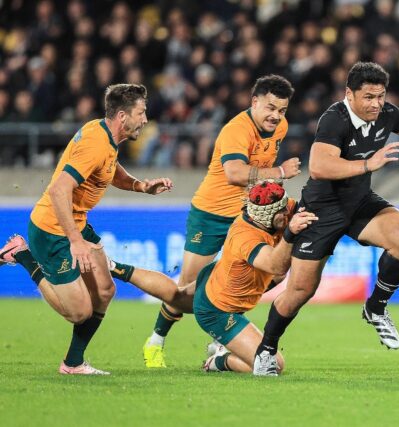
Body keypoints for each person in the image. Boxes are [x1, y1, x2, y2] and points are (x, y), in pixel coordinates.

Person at [252, 62, 399, 374]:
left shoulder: (386, 113)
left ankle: (376, 307)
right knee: (300, 291)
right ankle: (265, 349)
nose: (376, 104)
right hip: (320, 209)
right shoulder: (335, 118)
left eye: (381, 96)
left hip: (359, 203)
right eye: (369, 97)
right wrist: (367, 164)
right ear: (350, 94)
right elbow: (320, 166)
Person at [0, 84, 173, 375]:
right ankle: (22, 255)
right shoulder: (95, 143)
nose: (145, 120)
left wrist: (140, 186)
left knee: (105, 290)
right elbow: (57, 191)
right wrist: (75, 240)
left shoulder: (104, 135)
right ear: (122, 115)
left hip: (75, 223)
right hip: (52, 230)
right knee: (78, 312)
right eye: (141, 113)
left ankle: (73, 364)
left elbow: (109, 169)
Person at [139, 74, 301, 368]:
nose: (276, 116)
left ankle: (222, 335)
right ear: (254, 102)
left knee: (273, 273)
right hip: (211, 214)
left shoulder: (280, 128)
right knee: (185, 288)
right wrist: (279, 172)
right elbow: (235, 173)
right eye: (270, 108)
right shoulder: (236, 130)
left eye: (282, 110)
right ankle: (156, 341)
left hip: (249, 217)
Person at [108, 181, 317, 375]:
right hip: (218, 311)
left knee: (176, 294)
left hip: (216, 277)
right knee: (275, 365)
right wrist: (290, 233)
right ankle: (219, 361)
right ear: (264, 216)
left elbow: (293, 212)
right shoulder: (246, 236)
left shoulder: (271, 209)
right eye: (281, 212)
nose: (286, 212)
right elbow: (275, 264)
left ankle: (115, 267)